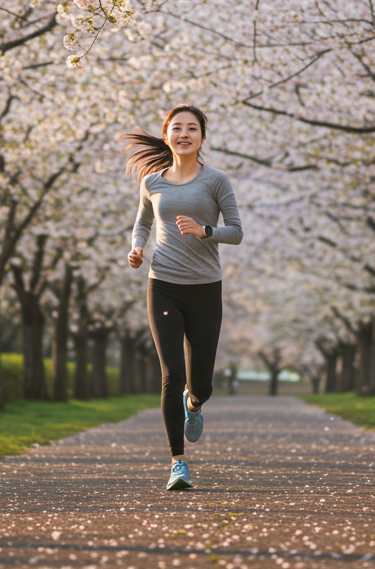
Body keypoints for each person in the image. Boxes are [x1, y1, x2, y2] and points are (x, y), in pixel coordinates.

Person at [123, 104, 243, 491]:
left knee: (200, 385)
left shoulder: (216, 181)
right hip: (164, 284)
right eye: (177, 128)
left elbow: (237, 232)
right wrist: (137, 249)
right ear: (167, 135)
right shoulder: (153, 183)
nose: (184, 134)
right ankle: (178, 464)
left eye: (192, 128)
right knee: (172, 375)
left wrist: (205, 230)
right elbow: (142, 222)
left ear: (202, 137)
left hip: (206, 287)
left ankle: (194, 406)